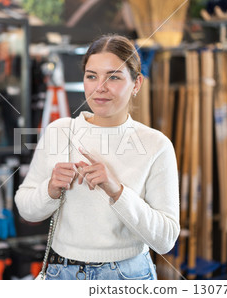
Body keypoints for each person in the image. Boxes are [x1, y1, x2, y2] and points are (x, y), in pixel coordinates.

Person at [15, 34, 180, 280]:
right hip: (62, 274)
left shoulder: (156, 145)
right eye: (92, 76)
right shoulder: (59, 132)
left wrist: (117, 190)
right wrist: (50, 189)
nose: (100, 87)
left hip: (127, 277)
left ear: (136, 84)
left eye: (113, 77)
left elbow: (165, 240)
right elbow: (26, 208)